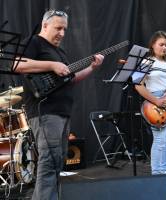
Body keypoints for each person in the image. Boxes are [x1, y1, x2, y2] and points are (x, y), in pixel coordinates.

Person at [14, 10, 104, 200]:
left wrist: (91, 67)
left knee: (56, 163)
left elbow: (71, 79)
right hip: (45, 112)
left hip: (61, 113)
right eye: (58, 28)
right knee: (49, 162)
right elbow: (17, 64)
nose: (62, 33)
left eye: (64, 29)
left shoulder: (59, 51)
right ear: (45, 25)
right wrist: (52, 65)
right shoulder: (34, 43)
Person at [135, 31, 166, 183]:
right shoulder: (146, 62)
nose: (164, 48)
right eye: (161, 44)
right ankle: (157, 175)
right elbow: (138, 86)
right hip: (154, 104)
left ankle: (165, 172)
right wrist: (155, 100)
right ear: (153, 45)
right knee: (160, 140)